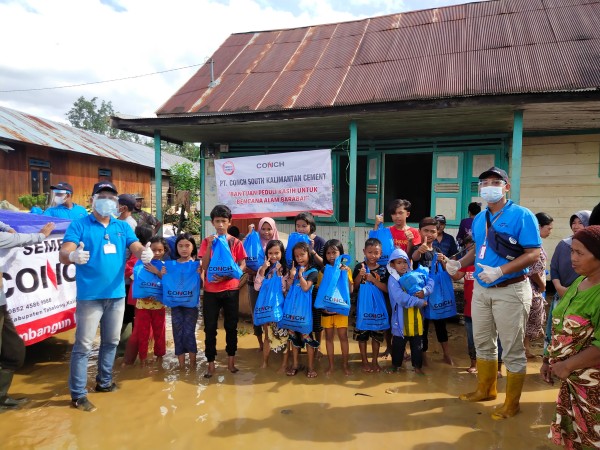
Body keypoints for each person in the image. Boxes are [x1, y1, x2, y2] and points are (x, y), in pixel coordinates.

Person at [446, 166, 541, 420]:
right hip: (482, 288)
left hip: (510, 288)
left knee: (512, 348)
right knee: (483, 342)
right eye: (485, 182)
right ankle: (486, 390)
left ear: (506, 187)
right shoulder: (480, 218)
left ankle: (512, 403)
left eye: (495, 182)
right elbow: (478, 248)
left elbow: (533, 253)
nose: (489, 186)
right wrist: (459, 263)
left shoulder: (522, 215)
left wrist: (501, 271)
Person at [59, 181, 154, 412]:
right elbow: (64, 251)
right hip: (90, 296)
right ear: (93, 199)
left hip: (117, 295)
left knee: (111, 341)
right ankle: (78, 395)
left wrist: (145, 252)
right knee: (83, 345)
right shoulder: (79, 224)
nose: (107, 201)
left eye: (111, 197)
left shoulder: (121, 226)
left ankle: (104, 382)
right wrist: (72, 257)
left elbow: (135, 246)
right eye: (102, 196)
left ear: (117, 202)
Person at [541, 225, 600, 449]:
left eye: (580, 253)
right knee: (575, 435)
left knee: (592, 436)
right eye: (572, 251)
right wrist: (548, 359)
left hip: (592, 386)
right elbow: (559, 325)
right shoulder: (579, 282)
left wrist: (567, 365)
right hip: (570, 380)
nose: (572, 258)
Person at [0, 221, 55, 409]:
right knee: (12, 351)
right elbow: (17, 239)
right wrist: (41, 236)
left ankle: (1, 398)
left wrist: (6, 227)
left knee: (13, 351)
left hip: (1, 304)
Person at [199, 205, 247, 378]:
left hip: (230, 290)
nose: (220, 224)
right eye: (217, 221)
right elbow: (204, 266)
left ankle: (231, 362)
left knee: (231, 326)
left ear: (229, 222)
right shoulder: (207, 241)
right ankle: (211, 364)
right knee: (210, 327)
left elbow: (242, 264)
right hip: (211, 291)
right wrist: (210, 247)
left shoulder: (235, 242)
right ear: (212, 222)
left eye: (223, 221)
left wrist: (228, 275)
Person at [374, 199, 422, 358]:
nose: (397, 216)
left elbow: (411, 256)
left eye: (400, 213)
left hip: (407, 278)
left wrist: (410, 241)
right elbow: (375, 243)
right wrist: (376, 225)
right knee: (389, 311)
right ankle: (390, 347)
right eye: (394, 214)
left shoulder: (414, 233)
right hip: (388, 274)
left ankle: (404, 349)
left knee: (405, 312)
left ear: (407, 214)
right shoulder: (387, 231)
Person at [547, 210, 591, 350]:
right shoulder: (564, 244)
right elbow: (554, 267)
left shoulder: (594, 247)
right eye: (573, 222)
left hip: (583, 296)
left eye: (580, 222)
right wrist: (558, 287)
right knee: (557, 329)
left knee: (577, 333)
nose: (576, 226)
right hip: (561, 293)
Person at [412, 217, 454, 365]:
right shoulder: (416, 248)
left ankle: (447, 354)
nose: (429, 234)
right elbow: (413, 259)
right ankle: (423, 357)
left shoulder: (437, 250)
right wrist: (419, 251)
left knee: (440, 323)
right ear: (419, 231)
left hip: (436, 294)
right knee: (422, 326)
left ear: (437, 233)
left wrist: (444, 260)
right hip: (421, 294)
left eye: (432, 231)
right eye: (426, 231)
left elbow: (446, 270)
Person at [386, 248, 431, 375]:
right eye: (399, 262)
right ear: (392, 265)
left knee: (417, 345)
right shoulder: (393, 280)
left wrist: (425, 291)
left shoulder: (414, 275)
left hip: (417, 319)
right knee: (398, 345)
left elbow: (429, 281)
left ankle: (417, 367)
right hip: (400, 321)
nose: (403, 265)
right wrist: (419, 302)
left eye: (405, 262)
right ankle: (395, 366)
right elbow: (400, 298)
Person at [163, 233, 200, 370]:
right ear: (176, 248)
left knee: (189, 332)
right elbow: (166, 282)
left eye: (187, 245)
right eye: (180, 246)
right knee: (177, 332)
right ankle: (182, 367)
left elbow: (202, 284)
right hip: (176, 304)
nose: (184, 249)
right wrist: (163, 273)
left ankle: (193, 365)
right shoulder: (170, 265)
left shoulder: (197, 265)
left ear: (193, 247)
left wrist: (200, 272)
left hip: (191, 305)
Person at [129, 235, 168, 367]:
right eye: (154, 250)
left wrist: (156, 271)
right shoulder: (140, 264)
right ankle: (143, 359)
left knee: (159, 332)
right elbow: (136, 281)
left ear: (164, 251)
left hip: (159, 305)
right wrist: (144, 294)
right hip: (142, 305)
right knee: (143, 333)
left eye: (160, 250)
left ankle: (160, 357)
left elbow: (169, 283)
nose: (157, 253)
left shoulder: (164, 266)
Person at [353, 237, 390, 373]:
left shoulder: (384, 270)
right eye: (370, 252)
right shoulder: (359, 267)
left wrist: (373, 280)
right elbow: (354, 287)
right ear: (364, 251)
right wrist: (360, 275)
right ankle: (364, 361)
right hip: (362, 309)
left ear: (381, 254)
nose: (373, 255)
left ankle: (374, 361)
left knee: (377, 336)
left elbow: (387, 289)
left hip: (378, 309)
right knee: (362, 336)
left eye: (376, 253)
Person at [253, 239, 290, 370]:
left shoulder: (285, 270)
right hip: (266, 309)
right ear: (266, 254)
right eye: (270, 253)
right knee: (267, 336)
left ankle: (284, 365)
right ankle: (265, 362)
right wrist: (263, 270)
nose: (273, 256)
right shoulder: (262, 269)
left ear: (282, 253)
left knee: (283, 337)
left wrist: (279, 275)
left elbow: (284, 289)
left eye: (276, 253)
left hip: (280, 308)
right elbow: (257, 287)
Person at [318, 239, 353, 376]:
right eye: (328, 253)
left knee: (343, 337)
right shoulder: (323, 271)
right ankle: (331, 366)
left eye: (334, 252)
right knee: (328, 337)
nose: (331, 256)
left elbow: (350, 290)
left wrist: (345, 274)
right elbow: (320, 291)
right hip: (326, 310)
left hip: (341, 309)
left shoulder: (346, 269)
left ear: (341, 253)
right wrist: (322, 308)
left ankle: (345, 365)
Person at [245, 218, 280, 351]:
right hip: (253, 283)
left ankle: (275, 342)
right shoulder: (253, 243)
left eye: (269, 229)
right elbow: (243, 261)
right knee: (257, 313)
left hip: (273, 287)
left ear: (274, 229)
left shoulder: (278, 245)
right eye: (263, 229)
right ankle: (261, 343)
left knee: (274, 312)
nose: (266, 232)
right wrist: (249, 235)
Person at [286, 242, 320, 378]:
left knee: (307, 338)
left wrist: (300, 275)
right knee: (293, 337)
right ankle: (295, 365)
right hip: (293, 310)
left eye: (302, 255)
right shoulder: (294, 270)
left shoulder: (313, 271)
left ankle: (311, 367)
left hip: (306, 312)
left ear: (308, 254)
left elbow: (306, 288)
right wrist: (291, 276)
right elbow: (288, 288)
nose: (299, 258)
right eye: (296, 256)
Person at [294, 212, 326, 352]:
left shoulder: (319, 241)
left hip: (315, 284)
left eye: (304, 226)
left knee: (316, 317)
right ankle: (301, 344)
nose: (300, 229)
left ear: (311, 226)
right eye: (298, 226)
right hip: (299, 284)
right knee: (300, 314)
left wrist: (312, 251)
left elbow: (324, 263)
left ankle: (317, 347)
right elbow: (291, 259)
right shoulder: (294, 239)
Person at [524, 212, 553, 359]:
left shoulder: (534, 243)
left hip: (533, 287)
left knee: (529, 321)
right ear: (539, 227)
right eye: (549, 228)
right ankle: (523, 349)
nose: (550, 231)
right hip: (532, 287)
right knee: (529, 320)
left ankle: (525, 348)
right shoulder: (533, 245)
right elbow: (533, 271)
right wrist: (542, 286)